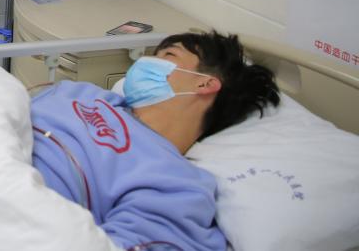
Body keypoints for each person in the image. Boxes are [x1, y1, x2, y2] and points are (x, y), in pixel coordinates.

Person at [30, 31, 280, 251]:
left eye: (168, 55)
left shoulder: (177, 182)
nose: (144, 63)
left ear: (205, 83)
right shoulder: (82, 92)